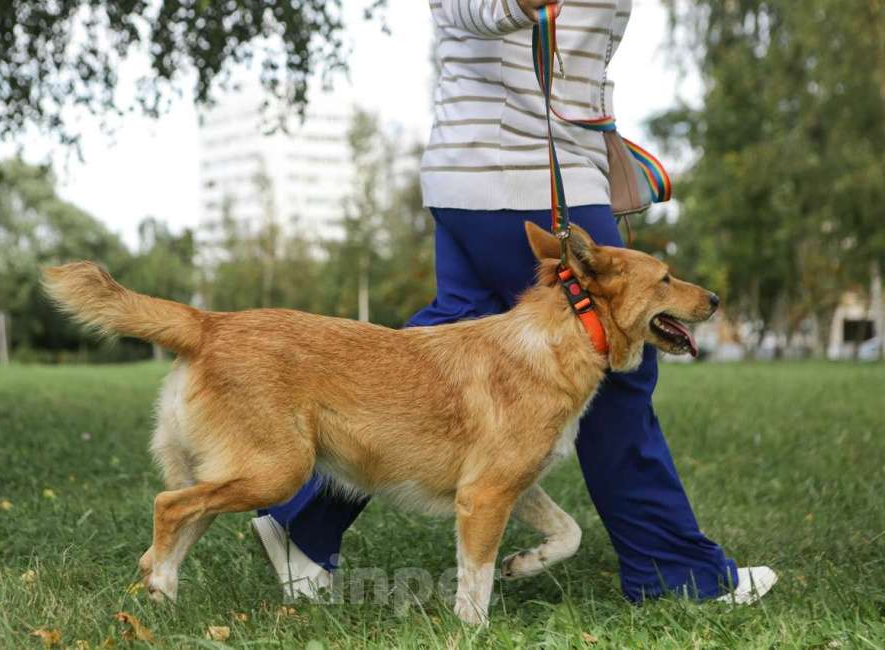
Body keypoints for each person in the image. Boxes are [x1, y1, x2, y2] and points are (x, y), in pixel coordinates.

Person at [252, 0, 777, 604]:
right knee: (617, 353)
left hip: (470, 175)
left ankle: (301, 521)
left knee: (436, 351)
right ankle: (677, 573)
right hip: (525, 172)